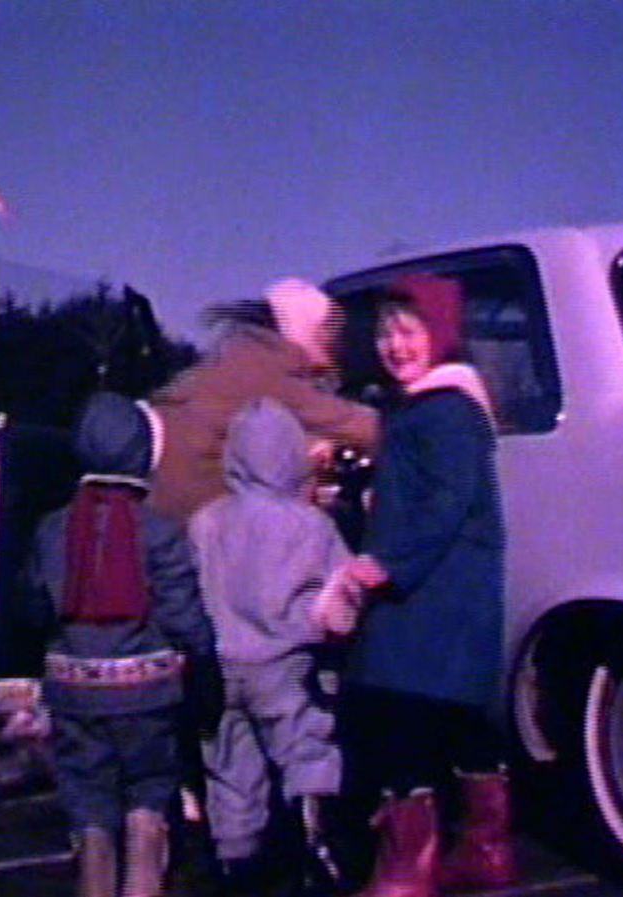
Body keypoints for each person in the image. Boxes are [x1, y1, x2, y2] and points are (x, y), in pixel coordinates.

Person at [335, 274, 516, 897]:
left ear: (440, 335)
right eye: (386, 333)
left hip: (429, 596)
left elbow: (447, 500)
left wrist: (390, 562)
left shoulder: (443, 410)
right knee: (460, 716)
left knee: (400, 718)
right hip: (447, 593)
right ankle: (484, 849)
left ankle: (408, 869)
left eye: (410, 332)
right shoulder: (429, 407)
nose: (396, 346)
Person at [22, 392, 224, 897]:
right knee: (149, 787)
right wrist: (203, 658)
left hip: (73, 689)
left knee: (87, 793)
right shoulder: (158, 530)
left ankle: (94, 879)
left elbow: (35, 608)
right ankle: (143, 882)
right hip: (146, 691)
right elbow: (182, 615)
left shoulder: (52, 528)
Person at [190, 397, 357, 896]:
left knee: (230, 767)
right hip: (288, 664)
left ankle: (236, 863)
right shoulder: (311, 524)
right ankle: (314, 843)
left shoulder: (206, 521)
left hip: (221, 666)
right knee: (306, 750)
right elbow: (341, 593)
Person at [146, 277, 379, 527]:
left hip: (167, 510)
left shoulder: (241, 359)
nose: (337, 342)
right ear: (306, 330)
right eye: (327, 330)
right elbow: (358, 426)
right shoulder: (265, 373)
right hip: (197, 517)